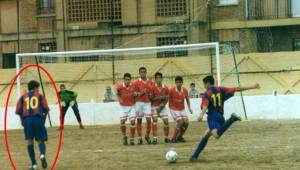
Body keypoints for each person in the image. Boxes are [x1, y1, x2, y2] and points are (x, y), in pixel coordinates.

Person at [190, 75, 260, 161]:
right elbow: (236, 89)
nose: (204, 87)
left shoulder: (207, 93)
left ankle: (232, 119)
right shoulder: (221, 89)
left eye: (204, 84)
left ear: (208, 83)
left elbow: (205, 105)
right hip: (220, 116)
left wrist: (201, 116)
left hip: (213, 116)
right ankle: (194, 156)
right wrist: (252, 86)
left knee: (216, 135)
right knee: (206, 135)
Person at [15, 80, 49, 170]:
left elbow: (18, 111)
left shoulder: (23, 97)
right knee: (41, 140)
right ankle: (42, 155)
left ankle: (34, 164)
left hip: (27, 120)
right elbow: (46, 108)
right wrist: (43, 120)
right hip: (38, 119)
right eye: (38, 88)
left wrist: (22, 121)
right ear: (34, 88)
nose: (38, 90)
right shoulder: (40, 96)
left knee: (30, 141)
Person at [169, 76, 193, 143]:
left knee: (186, 123)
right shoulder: (171, 90)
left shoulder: (185, 90)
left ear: (182, 83)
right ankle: (173, 138)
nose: (179, 83)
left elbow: (187, 99)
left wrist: (189, 108)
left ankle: (179, 137)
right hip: (173, 109)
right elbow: (166, 97)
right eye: (177, 82)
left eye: (180, 82)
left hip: (182, 109)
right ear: (175, 83)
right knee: (180, 122)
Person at [133, 67, 154, 144]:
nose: (142, 73)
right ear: (139, 73)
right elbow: (134, 94)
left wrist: (151, 95)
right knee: (139, 120)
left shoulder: (150, 82)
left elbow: (152, 93)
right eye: (141, 72)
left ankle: (147, 136)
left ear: (146, 72)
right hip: (138, 103)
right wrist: (140, 93)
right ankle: (139, 138)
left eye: (144, 72)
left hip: (147, 103)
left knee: (149, 120)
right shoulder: (136, 83)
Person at [116, 73, 136, 145]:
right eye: (126, 79)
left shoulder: (133, 86)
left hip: (132, 106)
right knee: (122, 121)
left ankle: (132, 139)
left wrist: (136, 94)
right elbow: (117, 93)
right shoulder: (120, 87)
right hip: (123, 107)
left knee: (133, 122)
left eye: (129, 79)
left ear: (130, 80)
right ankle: (124, 137)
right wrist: (119, 99)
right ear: (124, 80)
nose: (127, 81)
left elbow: (136, 93)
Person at [150, 72, 170, 144]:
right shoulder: (152, 88)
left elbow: (167, 99)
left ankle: (166, 138)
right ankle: (155, 138)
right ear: (155, 79)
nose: (158, 79)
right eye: (157, 78)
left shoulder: (166, 88)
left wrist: (162, 105)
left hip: (162, 106)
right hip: (154, 106)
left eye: (160, 78)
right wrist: (160, 97)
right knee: (155, 120)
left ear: (162, 79)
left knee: (166, 121)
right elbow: (151, 98)